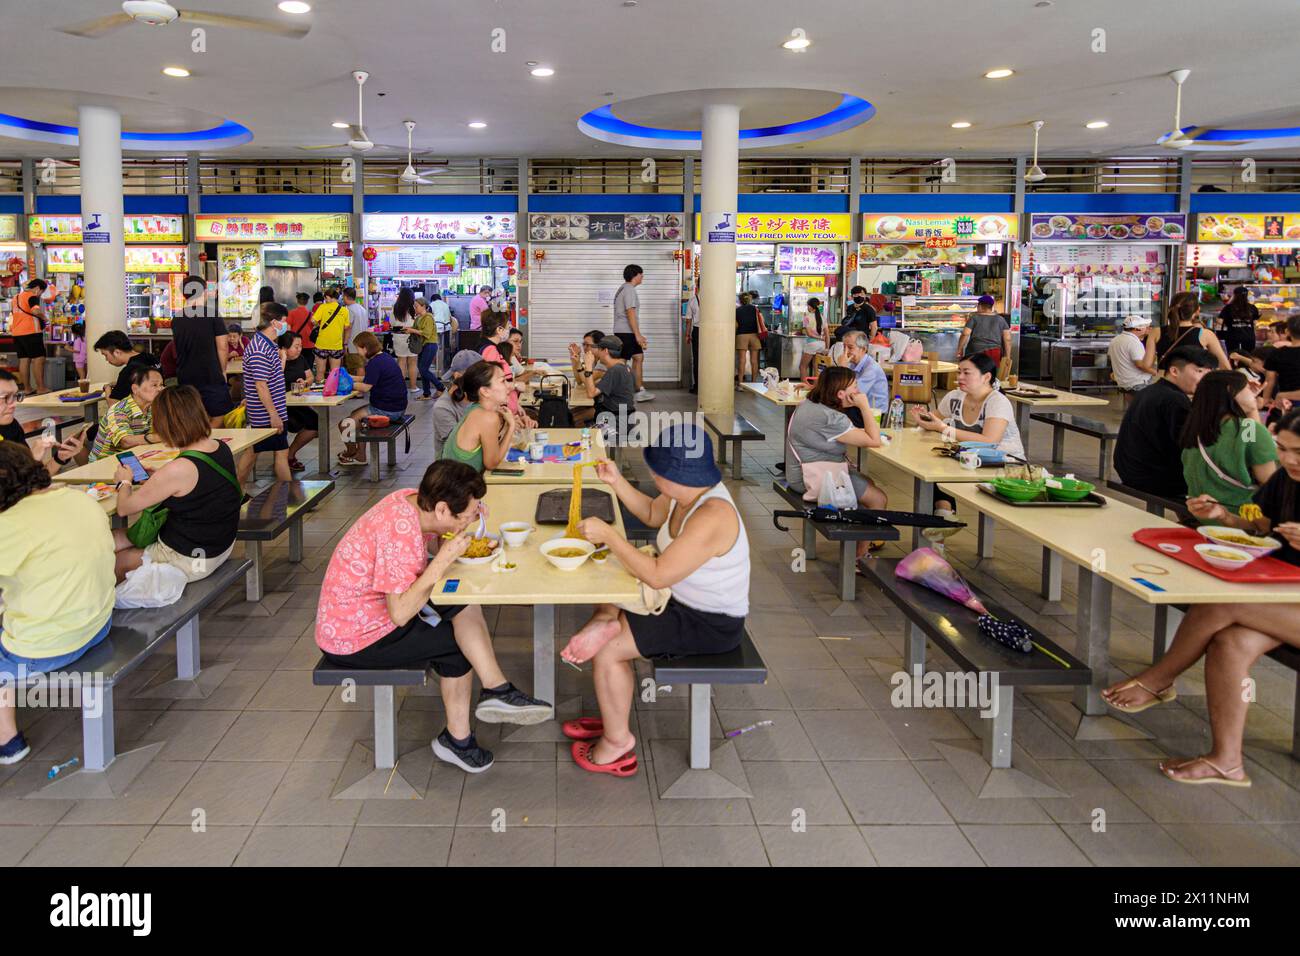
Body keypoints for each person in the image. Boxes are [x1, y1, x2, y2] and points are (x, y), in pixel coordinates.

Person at [1100, 409, 1300, 787]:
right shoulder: (1285, 480)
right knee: (1230, 641)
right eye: (1283, 449)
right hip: (1283, 594)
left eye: (1298, 453)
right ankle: (1227, 761)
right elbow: (1260, 523)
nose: (1288, 459)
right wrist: (1223, 515)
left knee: (1224, 599)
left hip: (1284, 598)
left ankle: (1159, 678)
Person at [315, 460, 551, 773]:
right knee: (453, 646)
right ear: (441, 509)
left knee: (461, 602)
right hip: (354, 635)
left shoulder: (414, 501)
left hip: (372, 613)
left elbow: (432, 547)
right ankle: (457, 741)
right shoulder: (398, 529)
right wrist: (442, 561)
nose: (467, 520)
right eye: (465, 515)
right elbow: (399, 613)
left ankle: (497, 689)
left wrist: (465, 524)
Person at [557, 425, 749, 776]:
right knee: (606, 584)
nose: (653, 477)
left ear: (673, 475)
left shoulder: (712, 515)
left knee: (608, 650)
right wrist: (616, 481)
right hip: (677, 598)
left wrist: (611, 537)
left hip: (708, 622)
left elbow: (658, 574)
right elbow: (650, 513)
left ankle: (618, 744)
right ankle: (606, 624)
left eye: (656, 474)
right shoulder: (686, 491)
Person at [0, 441, 116, 766]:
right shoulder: (78, 498)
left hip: (49, 646)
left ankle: (7, 741)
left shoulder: (10, 524)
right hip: (98, 623)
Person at [109, 385, 242, 584]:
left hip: (192, 559)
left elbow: (124, 508)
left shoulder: (179, 469)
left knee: (116, 561)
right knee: (113, 540)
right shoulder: (220, 447)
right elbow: (196, 484)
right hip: (219, 545)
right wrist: (160, 478)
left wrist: (124, 482)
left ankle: (108, 612)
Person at [787, 367, 889, 558]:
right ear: (840, 393)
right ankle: (859, 557)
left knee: (868, 483)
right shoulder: (831, 417)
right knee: (878, 498)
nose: (858, 391)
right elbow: (874, 440)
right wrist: (864, 406)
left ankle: (864, 539)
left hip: (799, 471)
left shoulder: (811, 404)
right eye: (855, 386)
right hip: (811, 479)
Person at [1113, 345, 1217, 499]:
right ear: (1174, 371)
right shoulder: (1174, 400)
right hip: (1155, 478)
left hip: (1131, 470)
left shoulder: (1150, 391)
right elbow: (1191, 446)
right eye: (1199, 371)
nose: (1205, 379)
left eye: (1208, 373)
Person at [1180, 370, 1277, 514]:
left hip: (1204, 513)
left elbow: (1249, 439)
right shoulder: (1249, 430)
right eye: (1247, 388)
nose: (1252, 393)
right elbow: (1271, 482)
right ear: (1230, 391)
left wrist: (1251, 408)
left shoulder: (1198, 428)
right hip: (1242, 517)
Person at [337, 331, 409, 469]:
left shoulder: (375, 363)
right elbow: (370, 378)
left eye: (358, 348)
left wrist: (346, 384)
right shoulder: (384, 358)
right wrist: (351, 377)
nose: (357, 352)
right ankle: (360, 455)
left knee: (345, 424)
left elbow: (365, 387)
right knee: (355, 417)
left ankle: (352, 452)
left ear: (365, 348)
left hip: (387, 410)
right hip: (397, 407)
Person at [238, 303, 291, 484]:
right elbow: (261, 385)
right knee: (270, 453)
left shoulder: (267, 344)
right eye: (284, 321)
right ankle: (287, 494)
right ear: (274, 322)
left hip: (270, 411)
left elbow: (268, 378)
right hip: (266, 414)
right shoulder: (260, 348)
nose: (287, 326)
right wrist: (273, 414)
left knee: (259, 452)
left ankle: (237, 493)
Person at [173, 274, 234, 427]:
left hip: (185, 374)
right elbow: (222, 346)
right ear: (203, 291)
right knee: (220, 414)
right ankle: (204, 442)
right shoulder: (212, 314)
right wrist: (223, 371)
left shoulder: (177, 318)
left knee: (194, 414)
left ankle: (198, 442)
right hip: (210, 373)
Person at [0, 368, 84, 476]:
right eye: (6, 397)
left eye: (15, 396)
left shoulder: (11, 426)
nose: (13, 404)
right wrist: (31, 460)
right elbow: (11, 488)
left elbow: (33, 480)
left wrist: (60, 458)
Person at [439, 361, 516, 473]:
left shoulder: (476, 408)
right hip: (456, 488)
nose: (510, 386)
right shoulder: (487, 417)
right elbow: (492, 463)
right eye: (503, 381)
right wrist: (511, 426)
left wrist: (505, 425)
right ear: (485, 391)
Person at [88, 364, 163, 461]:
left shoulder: (153, 407)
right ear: (135, 389)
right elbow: (126, 441)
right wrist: (160, 437)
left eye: (161, 385)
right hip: (106, 462)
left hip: (137, 457)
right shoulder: (118, 410)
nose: (160, 389)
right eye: (154, 385)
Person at [1156, 291, 1230, 370]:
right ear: (1197, 311)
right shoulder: (1206, 334)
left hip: (1165, 379)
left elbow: (1147, 364)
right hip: (1194, 380)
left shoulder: (1156, 331)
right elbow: (1225, 366)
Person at [575, 334, 636, 428]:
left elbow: (591, 393)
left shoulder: (615, 370)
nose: (597, 353)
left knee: (580, 430)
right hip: (619, 418)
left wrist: (588, 367)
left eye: (599, 349)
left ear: (605, 351)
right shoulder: (624, 368)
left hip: (617, 422)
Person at [613, 264, 653, 401]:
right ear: (635, 275)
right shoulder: (629, 289)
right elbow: (630, 312)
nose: (643, 277)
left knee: (638, 358)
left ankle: (639, 389)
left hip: (624, 331)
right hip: (626, 332)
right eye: (641, 275)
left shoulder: (623, 288)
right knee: (621, 362)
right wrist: (637, 334)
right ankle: (619, 390)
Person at [280, 331, 317, 472]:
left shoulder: (301, 359)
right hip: (281, 405)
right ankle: (285, 456)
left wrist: (305, 382)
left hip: (296, 402)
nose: (299, 349)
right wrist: (282, 358)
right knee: (310, 423)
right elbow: (275, 379)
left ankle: (289, 454)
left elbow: (310, 377)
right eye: (296, 346)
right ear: (284, 348)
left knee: (315, 422)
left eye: (300, 346)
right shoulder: (276, 361)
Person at [434, 350, 481, 453]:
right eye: (479, 377)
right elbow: (457, 445)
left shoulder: (477, 397)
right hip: (453, 465)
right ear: (457, 376)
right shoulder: (443, 407)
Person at [94, 330, 160, 402]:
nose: (106, 360)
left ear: (117, 352)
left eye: (106, 355)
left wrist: (107, 388)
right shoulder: (151, 357)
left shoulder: (128, 371)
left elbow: (114, 406)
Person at [838, 330, 889, 417]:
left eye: (850, 348)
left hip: (873, 414)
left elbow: (851, 395)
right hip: (858, 408)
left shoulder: (872, 368)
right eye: (844, 347)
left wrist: (842, 369)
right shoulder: (852, 364)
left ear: (863, 349)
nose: (845, 352)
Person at [11, 278, 49, 395]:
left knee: (24, 360)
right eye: (41, 292)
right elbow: (36, 311)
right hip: (31, 332)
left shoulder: (16, 297)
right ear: (37, 288)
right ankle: (41, 388)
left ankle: (27, 388)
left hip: (17, 333)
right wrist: (45, 318)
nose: (40, 294)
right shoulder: (32, 296)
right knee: (39, 359)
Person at [1108, 314, 1159, 399]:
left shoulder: (1115, 340)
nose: (1148, 329)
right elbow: (1140, 365)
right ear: (1137, 329)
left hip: (1124, 383)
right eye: (1146, 327)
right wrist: (1155, 372)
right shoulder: (1133, 342)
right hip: (1138, 383)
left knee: (1134, 409)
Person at [958, 295, 1011, 366]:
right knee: (991, 373)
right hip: (994, 351)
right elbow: (1007, 339)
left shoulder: (974, 318)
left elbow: (965, 334)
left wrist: (960, 349)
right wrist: (1007, 356)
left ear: (979, 306)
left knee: (975, 373)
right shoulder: (1001, 319)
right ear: (991, 307)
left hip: (975, 351)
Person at [310, 287, 350, 381]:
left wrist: (319, 323)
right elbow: (346, 327)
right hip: (336, 344)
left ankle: (320, 392)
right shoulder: (344, 310)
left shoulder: (323, 307)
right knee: (334, 372)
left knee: (320, 371)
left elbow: (313, 321)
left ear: (327, 297)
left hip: (321, 344)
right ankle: (333, 392)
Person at [1262, 314, 1300, 406]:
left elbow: (1270, 380)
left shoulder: (1276, 353)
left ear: (1287, 331)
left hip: (1286, 402)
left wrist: (1266, 399)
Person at [389, 287, 418, 391]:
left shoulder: (395, 308)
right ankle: (413, 387)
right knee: (413, 362)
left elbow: (391, 323)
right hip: (413, 337)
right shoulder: (414, 308)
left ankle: (401, 388)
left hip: (398, 337)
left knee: (401, 362)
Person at [734, 291, 766, 386]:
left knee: (742, 360)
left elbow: (736, 325)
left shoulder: (737, 310)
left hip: (741, 335)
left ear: (740, 300)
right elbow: (762, 320)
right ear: (749, 299)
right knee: (754, 360)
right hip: (754, 336)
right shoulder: (755, 309)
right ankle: (754, 383)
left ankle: (740, 384)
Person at [1218, 286, 1260, 356]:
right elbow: (1255, 323)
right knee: (1248, 357)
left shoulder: (1228, 308)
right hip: (1248, 337)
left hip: (1232, 337)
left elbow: (1220, 321)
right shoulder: (1252, 308)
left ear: (1234, 295)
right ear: (1247, 295)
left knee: (1232, 356)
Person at [412, 297, 441, 400]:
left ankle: (441, 387)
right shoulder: (418, 318)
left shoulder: (428, 317)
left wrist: (412, 331)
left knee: (423, 369)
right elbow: (415, 330)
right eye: (414, 306)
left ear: (423, 306)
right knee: (422, 369)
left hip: (430, 345)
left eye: (416, 306)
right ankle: (426, 393)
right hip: (423, 346)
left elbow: (426, 333)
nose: (415, 308)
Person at [798, 296, 829, 379]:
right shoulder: (823, 317)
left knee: (802, 367)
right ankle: (816, 388)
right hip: (822, 345)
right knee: (817, 368)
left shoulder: (806, 317)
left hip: (812, 344)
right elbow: (827, 335)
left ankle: (804, 386)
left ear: (810, 306)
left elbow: (809, 334)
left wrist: (819, 338)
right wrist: (827, 347)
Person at [287, 291, 315, 369]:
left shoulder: (291, 313)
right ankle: (308, 378)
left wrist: (288, 341)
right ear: (307, 302)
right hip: (309, 342)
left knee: (295, 363)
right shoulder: (311, 314)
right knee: (308, 364)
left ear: (297, 301)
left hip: (295, 342)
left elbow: (288, 328)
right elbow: (314, 325)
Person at [429, 293, 453, 374]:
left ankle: (435, 365)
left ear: (432, 299)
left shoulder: (432, 304)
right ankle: (440, 367)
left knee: (434, 345)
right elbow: (450, 317)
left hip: (436, 326)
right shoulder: (445, 304)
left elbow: (429, 316)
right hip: (446, 327)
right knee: (441, 347)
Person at [342, 286, 369, 356]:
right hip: (363, 343)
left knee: (353, 365)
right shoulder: (363, 309)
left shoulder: (348, 309)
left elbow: (348, 328)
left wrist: (345, 343)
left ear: (345, 296)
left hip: (352, 344)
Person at [466, 284, 492, 352]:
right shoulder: (480, 300)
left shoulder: (476, 298)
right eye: (488, 294)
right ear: (485, 292)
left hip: (475, 325)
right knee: (481, 348)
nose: (488, 296)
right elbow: (487, 314)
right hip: (479, 327)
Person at [685, 282, 700, 393]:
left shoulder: (693, 300)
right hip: (712, 332)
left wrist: (687, 334)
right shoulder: (714, 298)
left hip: (697, 331)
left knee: (697, 359)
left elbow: (689, 320)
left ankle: (698, 386)